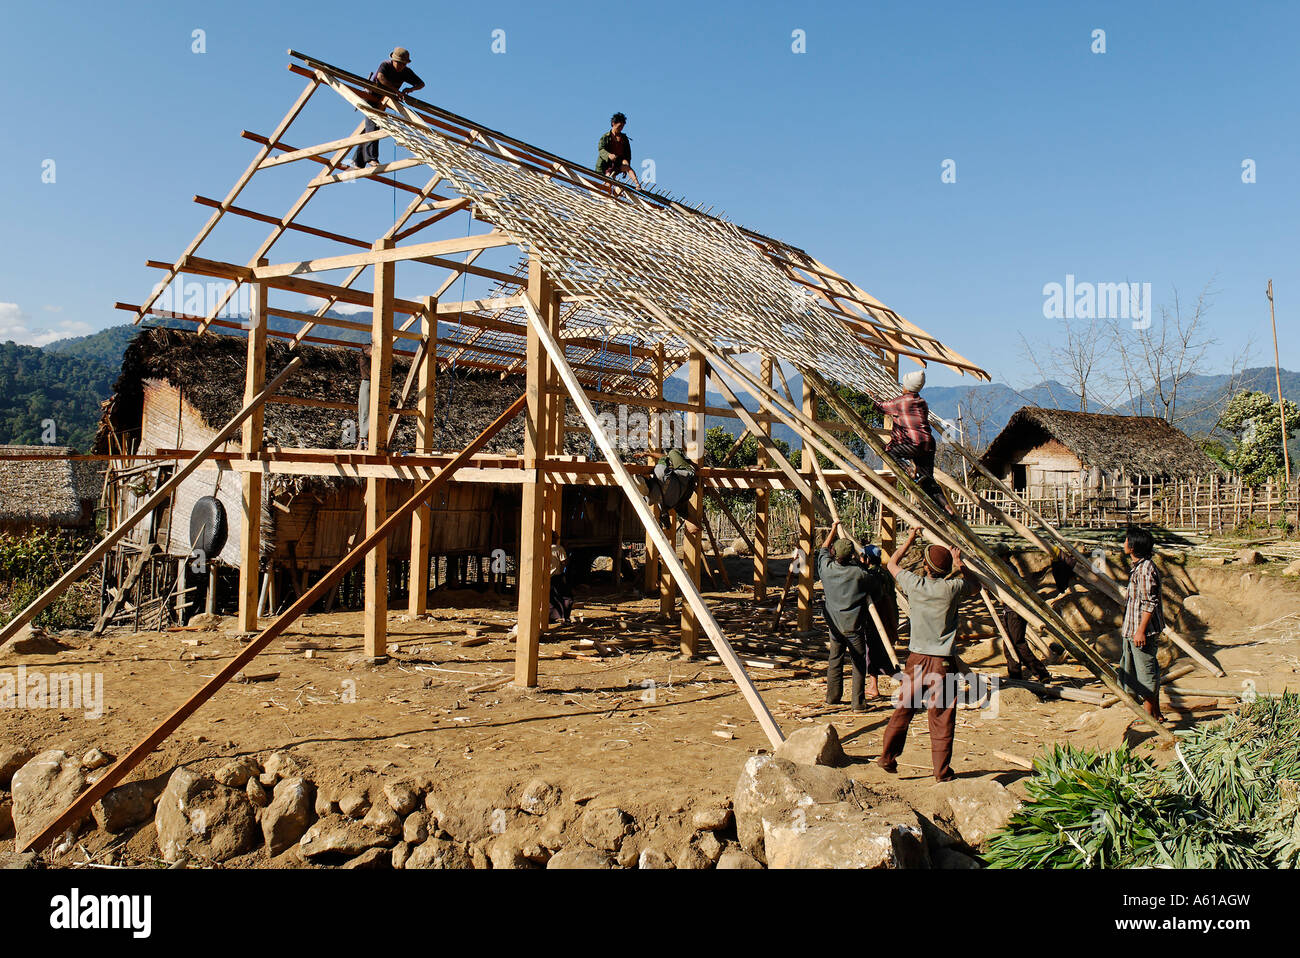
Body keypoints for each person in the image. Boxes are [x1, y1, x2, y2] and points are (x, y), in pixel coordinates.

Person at [877, 527, 979, 782]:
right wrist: (961, 564)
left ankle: (887, 757)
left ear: (926, 565)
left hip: (916, 659)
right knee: (942, 715)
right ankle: (941, 773)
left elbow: (891, 563)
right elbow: (976, 586)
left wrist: (909, 540)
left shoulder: (915, 584)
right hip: (943, 662)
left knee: (904, 709)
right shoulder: (953, 589)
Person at [816, 522, 888, 711]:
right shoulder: (859, 574)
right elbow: (877, 589)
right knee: (857, 663)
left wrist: (833, 529)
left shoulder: (826, 569)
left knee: (835, 658)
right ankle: (858, 703)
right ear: (852, 556)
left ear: (835, 554)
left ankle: (832, 697)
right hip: (853, 625)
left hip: (834, 624)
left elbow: (823, 549)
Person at [994, 546, 1077, 682]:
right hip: (1010, 610)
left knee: (1018, 643)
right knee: (1009, 644)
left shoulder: (1006, 569)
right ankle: (1015, 675)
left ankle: (1040, 673)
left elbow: (999, 584)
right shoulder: (1005, 567)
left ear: (1002, 556)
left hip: (1015, 611)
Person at [876, 370, 953, 516]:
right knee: (928, 481)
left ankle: (909, 470)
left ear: (906, 387)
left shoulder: (900, 402)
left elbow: (881, 407)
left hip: (913, 443)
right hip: (928, 444)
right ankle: (946, 506)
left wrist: (875, 398)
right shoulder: (922, 402)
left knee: (890, 452)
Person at [1118, 525, 1166, 723]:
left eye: (1126, 540)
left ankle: (1148, 715)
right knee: (1142, 670)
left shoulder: (1145, 570)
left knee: (1145, 672)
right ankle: (1156, 713)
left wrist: (1140, 631)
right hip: (1133, 629)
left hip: (1141, 631)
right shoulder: (1139, 567)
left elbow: (1149, 603)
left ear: (1133, 546)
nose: (1123, 544)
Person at [353, 48, 425, 168]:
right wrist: (396, 91)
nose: (401, 66)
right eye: (399, 63)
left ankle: (357, 162)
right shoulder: (385, 65)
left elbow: (421, 84)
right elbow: (381, 78)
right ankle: (371, 158)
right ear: (394, 60)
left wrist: (410, 89)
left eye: (403, 64)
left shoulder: (406, 72)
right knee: (373, 124)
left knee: (371, 128)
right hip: (371, 96)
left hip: (383, 100)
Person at [635, 448, 700, 536]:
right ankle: (693, 465)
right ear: (646, 478)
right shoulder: (660, 473)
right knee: (673, 452)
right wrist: (648, 454)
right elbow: (665, 457)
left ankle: (694, 524)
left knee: (679, 509)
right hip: (688, 477)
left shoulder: (653, 499)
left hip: (683, 494)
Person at [596, 113, 641, 188]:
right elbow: (601, 149)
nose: (621, 129)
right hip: (608, 164)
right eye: (619, 126)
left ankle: (637, 185)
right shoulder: (606, 137)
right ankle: (609, 193)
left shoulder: (624, 138)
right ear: (613, 124)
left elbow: (628, 154)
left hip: (619, 160)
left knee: (627, 165)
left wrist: (626, 165)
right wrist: (608, 155)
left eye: (622, 127)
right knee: (610, 178)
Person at [549, 532, 574, 624]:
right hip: (556, 577)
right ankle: (566, 618)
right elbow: (564, 562)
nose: (557, 539)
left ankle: (550, 618)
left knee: (551, 597)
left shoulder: (543, 548)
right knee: (567, 597)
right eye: (556, 537)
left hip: (546, 577)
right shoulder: (558, 548)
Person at [356, 343, 372, 450]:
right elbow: (369, 352)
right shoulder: (364, 356)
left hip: (372, 383)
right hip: (367, 383)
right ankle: (363, 439)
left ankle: (364, 439)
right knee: (365, 411)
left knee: (368, 411)